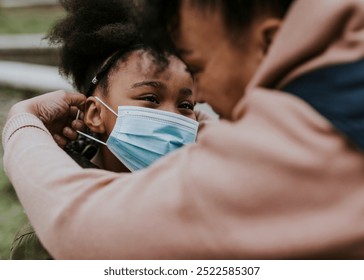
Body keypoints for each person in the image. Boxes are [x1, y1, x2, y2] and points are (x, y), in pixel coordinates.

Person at [3, 0, 364, 259]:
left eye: (198, 70)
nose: (200, 99)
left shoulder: (309, 138)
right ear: (94, 112)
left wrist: (22, 123)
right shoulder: (342, 89)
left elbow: (81, 227)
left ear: (268, 44)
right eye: (149, 98)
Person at [8, 0, 203, 259]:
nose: (172, 117)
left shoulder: (204, 210)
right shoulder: (45, 242)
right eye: (151, 99)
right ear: (95, 114)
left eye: (186, 104)